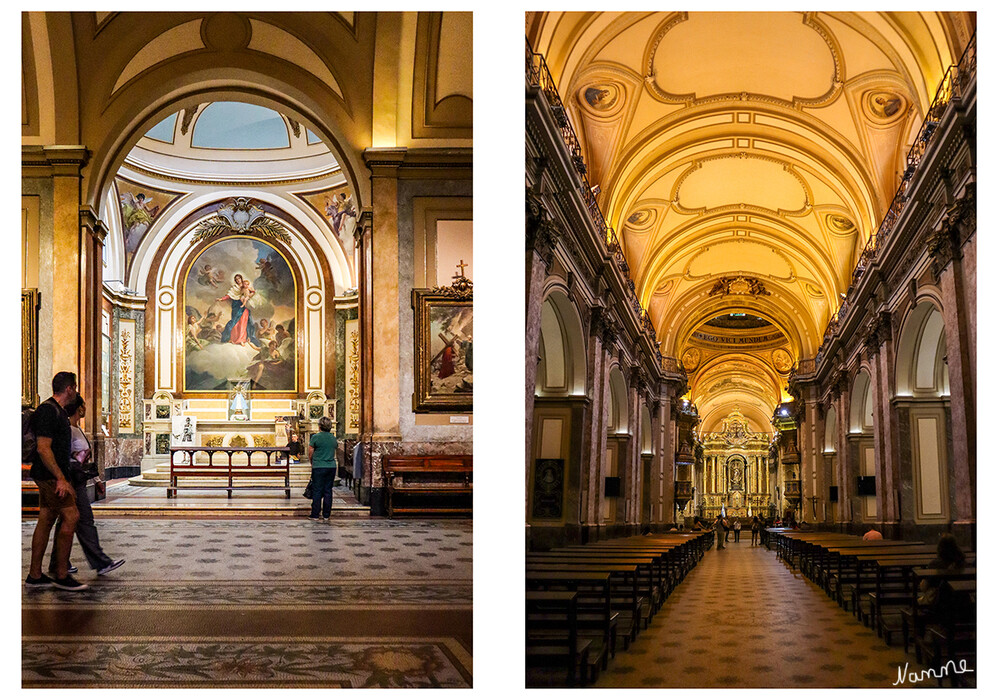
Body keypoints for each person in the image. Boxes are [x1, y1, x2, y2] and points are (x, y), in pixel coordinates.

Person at [49, 396, 125, 578]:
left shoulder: (77, 428)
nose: (85, 408)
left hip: (79, 479)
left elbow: (85, 460)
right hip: (72, 481)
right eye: (83, 405)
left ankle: (57, 563)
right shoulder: (68, 429)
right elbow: (65, 456)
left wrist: (97, 480)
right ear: (78, 408)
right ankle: (100, 562)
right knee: (84, 520)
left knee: (65, 522)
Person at [25, 372, 87, 591]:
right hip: (50, 476)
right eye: (75, 387)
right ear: (69, 388)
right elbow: (43, 448)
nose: (77, 391)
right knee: (72, 515)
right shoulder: (48, 411)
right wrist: (61, 478)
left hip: (53, 475)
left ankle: (35, 575)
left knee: (47, 518)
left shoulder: (58, 411)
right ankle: (61, 574)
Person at [308, 417, 337, 521]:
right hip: (331, 466)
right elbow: (334, 448)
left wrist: (312, 461)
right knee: (328, 491)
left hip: (319, 466)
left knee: (317, 490)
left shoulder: (316, 437)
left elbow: (310, 451)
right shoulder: (333, 438)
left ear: (319, 426)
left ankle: (315, 514)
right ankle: (326, 515)